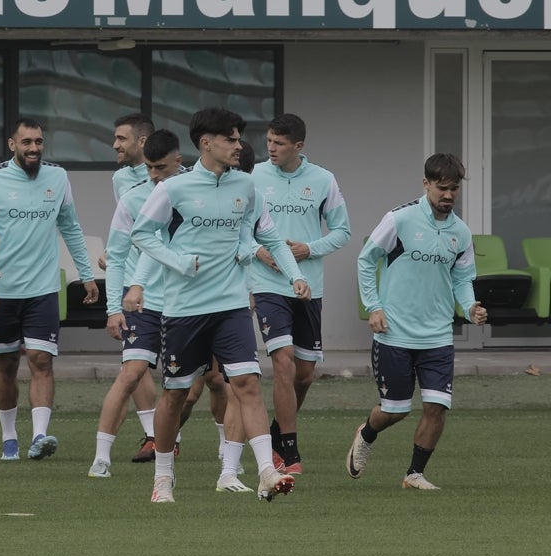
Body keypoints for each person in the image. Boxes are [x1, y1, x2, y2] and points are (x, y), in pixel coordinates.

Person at [131, 107, 310, 504]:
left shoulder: (247, 186)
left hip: (231, 305)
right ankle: (163, 477)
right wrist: (178, 262)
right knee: (175, 395)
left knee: (247, 383)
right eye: (231, 139)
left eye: (238, 138)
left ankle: (266, 470)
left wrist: (295, 274)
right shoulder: (173, 190)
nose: (239, 146)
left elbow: (272, 237)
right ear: (206, 143)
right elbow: (142, 234)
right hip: (183, 309)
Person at [346, 153, 486, 491]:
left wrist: (470, 308)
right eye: (442, 188)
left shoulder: (461, 232)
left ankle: (414, 474)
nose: (449, 195)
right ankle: (366, 434)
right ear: (426, 184)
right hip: (394, 333)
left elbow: (462, 279)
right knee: (395, 411)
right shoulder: (400, 219)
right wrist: (374, 306)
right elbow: (367, 260)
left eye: (454, 189)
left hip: (437, 336)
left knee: (437, 407)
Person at [0, 119, 97, 462]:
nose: (34, 148)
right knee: (5, 365)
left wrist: (86, 275)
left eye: (39, 142)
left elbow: (71, 227)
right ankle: (9, 438)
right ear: (11, 145)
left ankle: (41, 435)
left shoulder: (58, 177)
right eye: (26, 142)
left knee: (41, 360)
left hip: (44, 288)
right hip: (2, 289)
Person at [250, 114, 351, 476]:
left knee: (304, 374)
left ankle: (279, 428)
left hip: (308, 286)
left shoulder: (324, 180)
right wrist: (261, 253)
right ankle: (288, 450)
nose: (271, 148)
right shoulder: (255, 177)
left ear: (299, 146)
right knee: (283, 361)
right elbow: (238, 228)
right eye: (269, 142)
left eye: (278, 143)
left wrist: (309, 249)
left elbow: (342, 231)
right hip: (266, 283)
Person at [88, 129, 180, 479]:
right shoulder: (131, 199)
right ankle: (101, 458)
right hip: (142, 304)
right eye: (151, 169)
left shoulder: (194, 192)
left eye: (161, 168)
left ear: (178, 162)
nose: (154, 175)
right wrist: (113, 308)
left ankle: (226, 459)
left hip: (185, 302)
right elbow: (117, 255)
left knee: (213, 381)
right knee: (131, 373)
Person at [102, 113, 163, 462]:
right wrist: (115, 252)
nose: (115, 145)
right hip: (132, 283)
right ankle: (154, 436)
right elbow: (124, 225)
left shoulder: (170, 178)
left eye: (122, 138)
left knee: (209, 377)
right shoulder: (120, 179)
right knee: (135, 363)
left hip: (170, 282)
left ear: (142, 142)